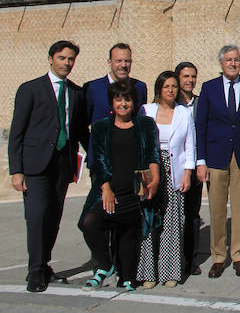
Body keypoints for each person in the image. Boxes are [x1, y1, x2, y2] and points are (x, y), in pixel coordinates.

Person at [8, 40, 89, 292]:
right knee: (36, 217)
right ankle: (34, 272)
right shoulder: (30, 89)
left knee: (53, 218)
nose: (67, 63)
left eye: (71, 59)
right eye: (62, 58)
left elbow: (78, 131)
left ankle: (44, 266)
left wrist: (97, 158)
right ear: (51, 58)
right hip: (35, 166)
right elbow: (17, 132)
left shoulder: (76, 93)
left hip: (62, 164)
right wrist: (16, 170)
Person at [79, 81, 159, 292]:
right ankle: (106, 265)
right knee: (89, 223)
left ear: (134, 102)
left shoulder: (146, 124)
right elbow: (99, 160)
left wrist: (155, 180)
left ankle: (127, 277)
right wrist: (105, 188)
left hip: (135, 188)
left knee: (128, 232)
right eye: (119, 99)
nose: (123, 104)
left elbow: (152, 154)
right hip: (110, 190)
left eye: (127, 99)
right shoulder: (101, 127)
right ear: (112, 103)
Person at [195, 45, 240, 278]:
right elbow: (200, 125)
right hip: (215, 156)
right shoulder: (209, 88)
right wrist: (200, 160)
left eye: (236, 59)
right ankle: (218, 256)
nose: (233, 63)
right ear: (221, 63)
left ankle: (239, 255)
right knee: (217, 208)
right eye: (229, 60)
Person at [137, 71, 196, 288]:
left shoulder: (183, 113)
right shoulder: (146, 110)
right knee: (148, 218)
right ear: (159, 89)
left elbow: (190, 145)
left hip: (175, 169)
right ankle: (148, 272)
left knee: (172, 221)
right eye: (166, 87)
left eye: (173, 86)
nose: (170, 90)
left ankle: (170, 271)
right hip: (150, 168)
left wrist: (188, 174)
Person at [175, 61, 202, 276]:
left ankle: (191, 259)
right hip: (174, 168)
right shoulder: (169, 103)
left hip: (194, 169)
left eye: (193, 76)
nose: (190, 80)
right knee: (172, 214)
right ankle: (172, 257)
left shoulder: (201, 104)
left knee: (192, 214)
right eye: (186, 76)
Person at [85, 43, 148, 131]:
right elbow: (82, 124)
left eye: (127, 61)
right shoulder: (93, 88)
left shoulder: (139, 87)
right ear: (109, 62)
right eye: (118, 61)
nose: (123, 65)